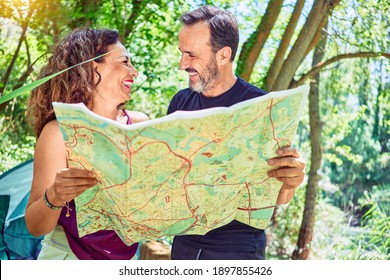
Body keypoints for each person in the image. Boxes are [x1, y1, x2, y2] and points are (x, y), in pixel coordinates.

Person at [167, 5, 306, 260]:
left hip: (237, 253)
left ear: (223, 55)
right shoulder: (180, 104)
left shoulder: (262, 108)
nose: (182, 64)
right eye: (181, 53)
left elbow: (281, 196)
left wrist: (292, 180)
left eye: (191, 55)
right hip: (184, 247)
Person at [25, 28, 149, 260]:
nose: (135, 71)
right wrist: (54, 196)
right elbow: (34, 226)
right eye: (125, 61)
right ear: (92, 69)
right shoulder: (59, 133)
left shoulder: (141, 125)